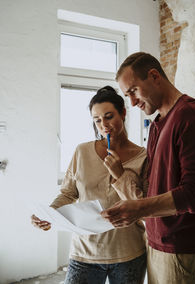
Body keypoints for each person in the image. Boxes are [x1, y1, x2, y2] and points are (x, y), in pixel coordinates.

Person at [31, 86, 148, 284]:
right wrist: (49, 214)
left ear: (124, 112)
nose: (104, 125)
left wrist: (120, 175)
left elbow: (144, 206)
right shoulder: (82, 151)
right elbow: (68, 193)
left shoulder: (143, 156)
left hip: (128, 253)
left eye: (109, 116)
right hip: (84, 253)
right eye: (97, 120)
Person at [101, 52, 195, 284]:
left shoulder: (190, 116)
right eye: (127, 96)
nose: (133, 102)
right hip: (155, 245)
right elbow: (153, 189)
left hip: (182, 249)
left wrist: (138, 208)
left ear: (154, 76)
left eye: (133, 91)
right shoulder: (156, 125)